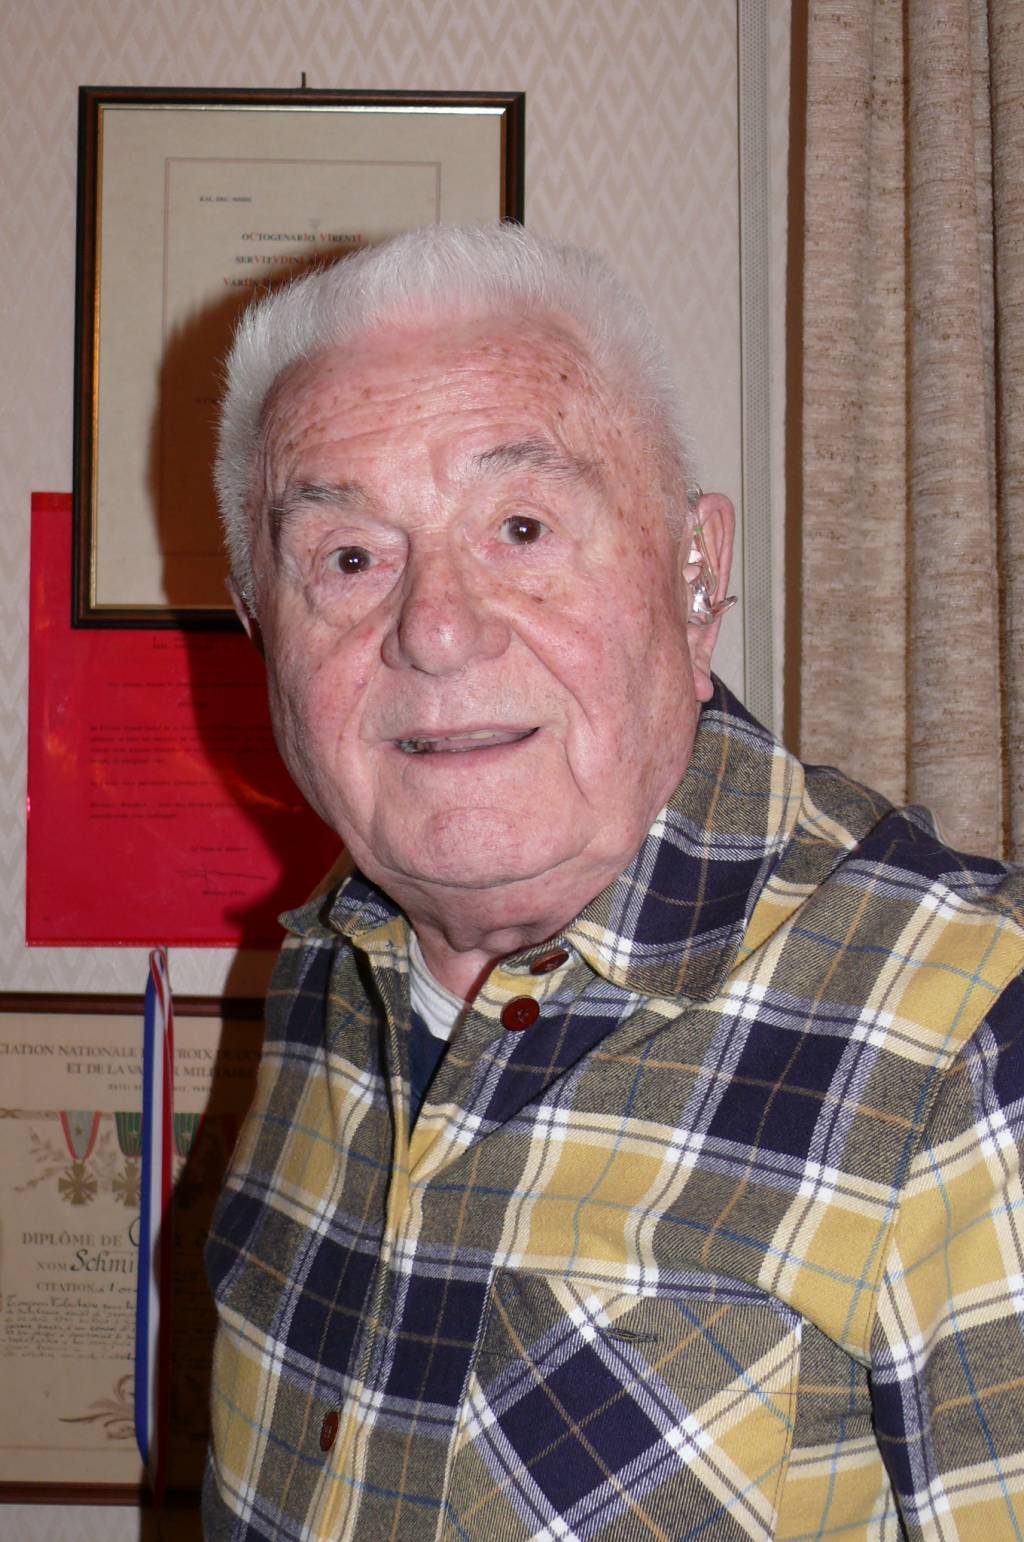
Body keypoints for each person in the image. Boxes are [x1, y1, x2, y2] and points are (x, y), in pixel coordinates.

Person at [203, 223, 1024, 1541]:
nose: (436, 627)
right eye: (349, 559)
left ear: (698, 576)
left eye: (522, 527)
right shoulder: (324, 966)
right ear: (261, 629)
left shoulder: (971, 1028)